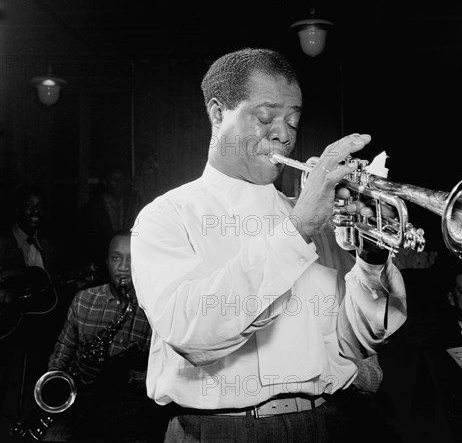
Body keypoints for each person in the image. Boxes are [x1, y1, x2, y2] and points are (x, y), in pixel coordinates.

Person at [130, 48, 407, 442]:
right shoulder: (166, 216)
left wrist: (371, 260)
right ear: (217, 114)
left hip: (324, 423)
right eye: (265, 117)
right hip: (217, 430)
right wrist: (299, 228)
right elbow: (192, 333)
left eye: (293, 121)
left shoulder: (316, 220)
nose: (283, 134)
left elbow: (356, 341)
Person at [38, 229, 165, 442]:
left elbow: (162, 375)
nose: (123, 267)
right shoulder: (83, 299)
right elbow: (63, 352)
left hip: (128, 407)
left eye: (131, 259)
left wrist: (125, 377)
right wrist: (57, 384)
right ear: (107, 261)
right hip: (79, 400)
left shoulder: (156, 309)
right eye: (116, 258)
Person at [0, 185, 61, 429]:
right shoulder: (2, 243)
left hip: (36, 328)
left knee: (35, 377)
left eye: (39, 206)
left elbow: (50, 289)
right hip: (6, 328)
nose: (34, 211)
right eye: (28, 205)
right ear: (17, 210)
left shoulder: (50, 247)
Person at [76, 165, 132, 283]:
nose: (118, 183)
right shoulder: (91, 209)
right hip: (100, 272)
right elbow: (84, 243)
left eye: (121, 179)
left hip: (127, 269)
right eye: (114, 179)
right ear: (105, 182)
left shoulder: (132, 205)